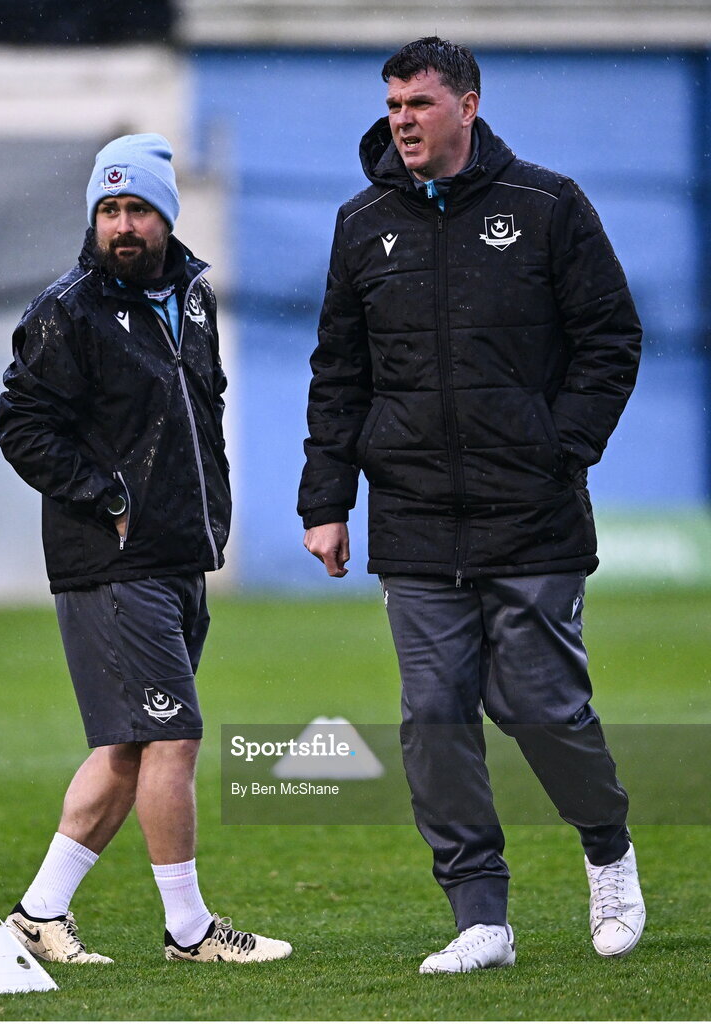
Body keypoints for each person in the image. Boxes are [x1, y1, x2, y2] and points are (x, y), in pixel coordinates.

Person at [298, 38, 644, 973]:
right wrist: (326, 501)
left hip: (530, 513)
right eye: (392, 103)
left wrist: (559, 449)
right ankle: (479, 917)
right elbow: (341, 375)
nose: (401, 118)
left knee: (542, 710)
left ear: (469, 105)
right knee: (434, 717)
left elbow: (612, 338)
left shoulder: (548, 206)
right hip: (412, 520)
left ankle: (607, 853)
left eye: (418, 101)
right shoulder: (361, 223)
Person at [0, 133, 291, 965]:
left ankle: (38, 915)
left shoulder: (193, 298)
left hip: (177, 557)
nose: (121, 225)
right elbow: (21, 427)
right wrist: (109, 496)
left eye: (136, 209)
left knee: (126, 744)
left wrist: (213, 518)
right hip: (113, 561)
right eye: (108, 209)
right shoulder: (68, 310)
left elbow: (203, 416)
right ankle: (189, 930)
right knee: (175, 736)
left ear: (166, 215)